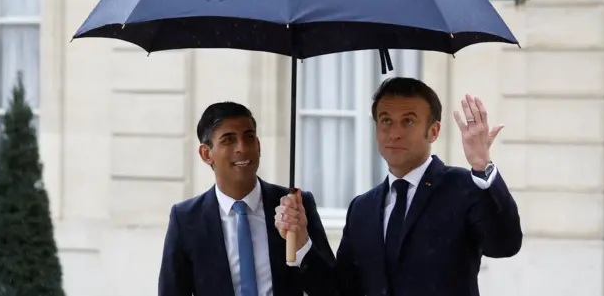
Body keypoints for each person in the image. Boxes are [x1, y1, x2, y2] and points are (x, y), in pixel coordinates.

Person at [275, 77, 523, 296]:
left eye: (408, 121)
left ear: (433, 131)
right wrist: (302, 243)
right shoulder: (362, 208)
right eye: (386, 121)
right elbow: (339, 290)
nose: (394, 133)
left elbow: (505, 244)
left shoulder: (463, 187)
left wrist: (482, 167)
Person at [158, 101, 335, 296]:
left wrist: (302, 246)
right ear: (206, 154)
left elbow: (333, 290)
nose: (242, 148)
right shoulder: (186, 219)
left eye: (249, 137)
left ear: (258, 146)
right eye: (228, 140)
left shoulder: (293, 206)